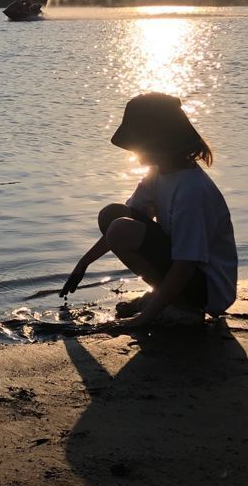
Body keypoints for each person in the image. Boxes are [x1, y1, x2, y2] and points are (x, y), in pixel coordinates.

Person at [60, 92, 238, 332]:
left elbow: (186, 263)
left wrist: (142, 320)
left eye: (137, 144)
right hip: (185, 271)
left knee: (121, 227)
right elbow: (120, 224)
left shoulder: (191, 191)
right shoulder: (158, 174)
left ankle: (182, 308)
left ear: (158, 142)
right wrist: (84, 263)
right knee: (113, 215)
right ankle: (164, 298)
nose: (133, 152)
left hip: (207, 288)